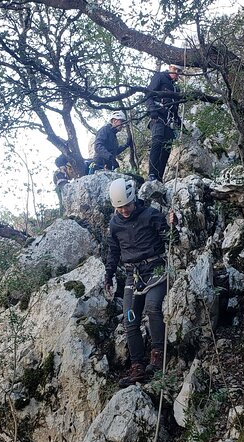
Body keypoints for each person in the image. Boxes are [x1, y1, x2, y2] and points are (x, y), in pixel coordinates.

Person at [104, 178, 177, 387]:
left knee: (153, 308)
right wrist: (109, 275)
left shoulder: (151, 215)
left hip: (156, 269)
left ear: (133, 199)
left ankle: (158, 355)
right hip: (132, 275)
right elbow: (114, 251)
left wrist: (173, 224)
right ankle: (137, 366)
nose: (124, 211)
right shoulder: (115, 223)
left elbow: (171, 239)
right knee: (130, 318)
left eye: (126, 205)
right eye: (119, 208)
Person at [145, 64, 183, 182]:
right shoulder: (160, 77)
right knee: (157, 142)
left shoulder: (176, 89)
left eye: (179, 71)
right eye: (175, 70)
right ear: (170, 68)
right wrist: (151, 109)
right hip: (157, 115)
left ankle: (159, 177)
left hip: (169, 119)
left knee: (166, 148)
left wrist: (180, 124)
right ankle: (152, 174)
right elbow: (148, 94)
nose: (177, 73)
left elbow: (175, 109)